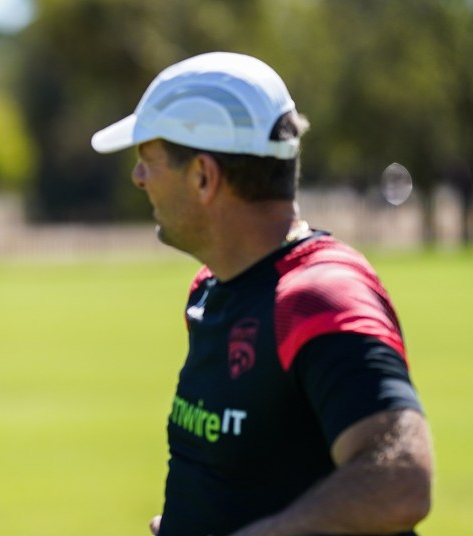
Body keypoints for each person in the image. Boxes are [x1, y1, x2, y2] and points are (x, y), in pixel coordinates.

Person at [91, 52, 432, 535]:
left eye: (148, 160)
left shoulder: (319, 296)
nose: (138, 177)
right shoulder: (212, 289)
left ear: (204, 177)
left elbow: (400, 478)